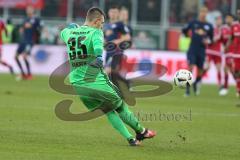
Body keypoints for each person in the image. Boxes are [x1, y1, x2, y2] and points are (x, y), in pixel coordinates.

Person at [60, 7, 156, 146]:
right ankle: (142, 131)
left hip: (77, 84)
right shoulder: (96, 32)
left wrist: (71, 27)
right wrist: (99, 57)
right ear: (97, 20)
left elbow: (64, 31)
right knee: (120, 106)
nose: (103, 25)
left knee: (108, 110)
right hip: (95, 80)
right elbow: (99, 47)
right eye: (102, 22)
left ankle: (131, 139)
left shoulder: (69, 33)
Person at [182, 7, 214, 96]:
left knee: (200, 71)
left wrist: (208, 41)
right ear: (199, 13)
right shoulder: (193, 23)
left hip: (202, 50)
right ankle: (187, 90)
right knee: (190, 68)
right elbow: (184, 30)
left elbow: (211, 39)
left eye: (205, 12)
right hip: (192, 49)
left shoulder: (209, 26)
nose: (203, 14)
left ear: (207, 13)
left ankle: (196, 83)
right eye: (202, 12)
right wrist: (187, 35)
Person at [104, 5, 131, 94]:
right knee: (113, 74)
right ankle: (124, 86)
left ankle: (109, 93)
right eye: (111, 12)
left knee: (106, 71)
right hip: (108, 52)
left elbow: (127, 37)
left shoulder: (120, 24)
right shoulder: (107, 25)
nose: (113, 14)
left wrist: (116, 41)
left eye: (115, 12)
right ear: (108, 13)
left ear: (118, 14)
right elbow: (105, 39)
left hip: (116, 52)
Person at [15, 6, 41, 80]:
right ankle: (23, 74)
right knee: (16, 57)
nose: (28, 10)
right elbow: (22, 28)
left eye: (30, 9)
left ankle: (29, 75)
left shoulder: (35, 19)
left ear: (33, 11)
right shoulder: (25, 19)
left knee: (24, 56)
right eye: (27, 9)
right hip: (23, 41)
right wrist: (21, 30)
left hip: (30, 41)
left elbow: (39, 27)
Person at [204, 16, 223, 93]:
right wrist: (210, 41)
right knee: (207, 67)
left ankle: (220, 85)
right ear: (215, 22)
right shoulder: (212, 30)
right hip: (210, 51)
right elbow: (207, 39)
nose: (219, 22)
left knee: (219, 69)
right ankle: (198, 80)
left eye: (220, 20)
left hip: (218, 52)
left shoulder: (223, 30)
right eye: (217, 20)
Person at [226, 9, 240, 102]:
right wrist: (226, 46)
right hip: (236, 53)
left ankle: (238, 90)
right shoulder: (234, 25)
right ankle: (238, 89)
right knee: (236, 72)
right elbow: (231, 38)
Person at [219, 13, 235, 96]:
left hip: (234, 52)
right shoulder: (223, 28)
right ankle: (226, 87)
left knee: (232, 70)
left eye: (229, 18)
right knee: (229, 69)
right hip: (227, 52)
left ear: (232, 19)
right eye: (227, 18)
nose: (228, 20)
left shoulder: (236, 27)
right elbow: (220, 39)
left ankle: (226, 87)